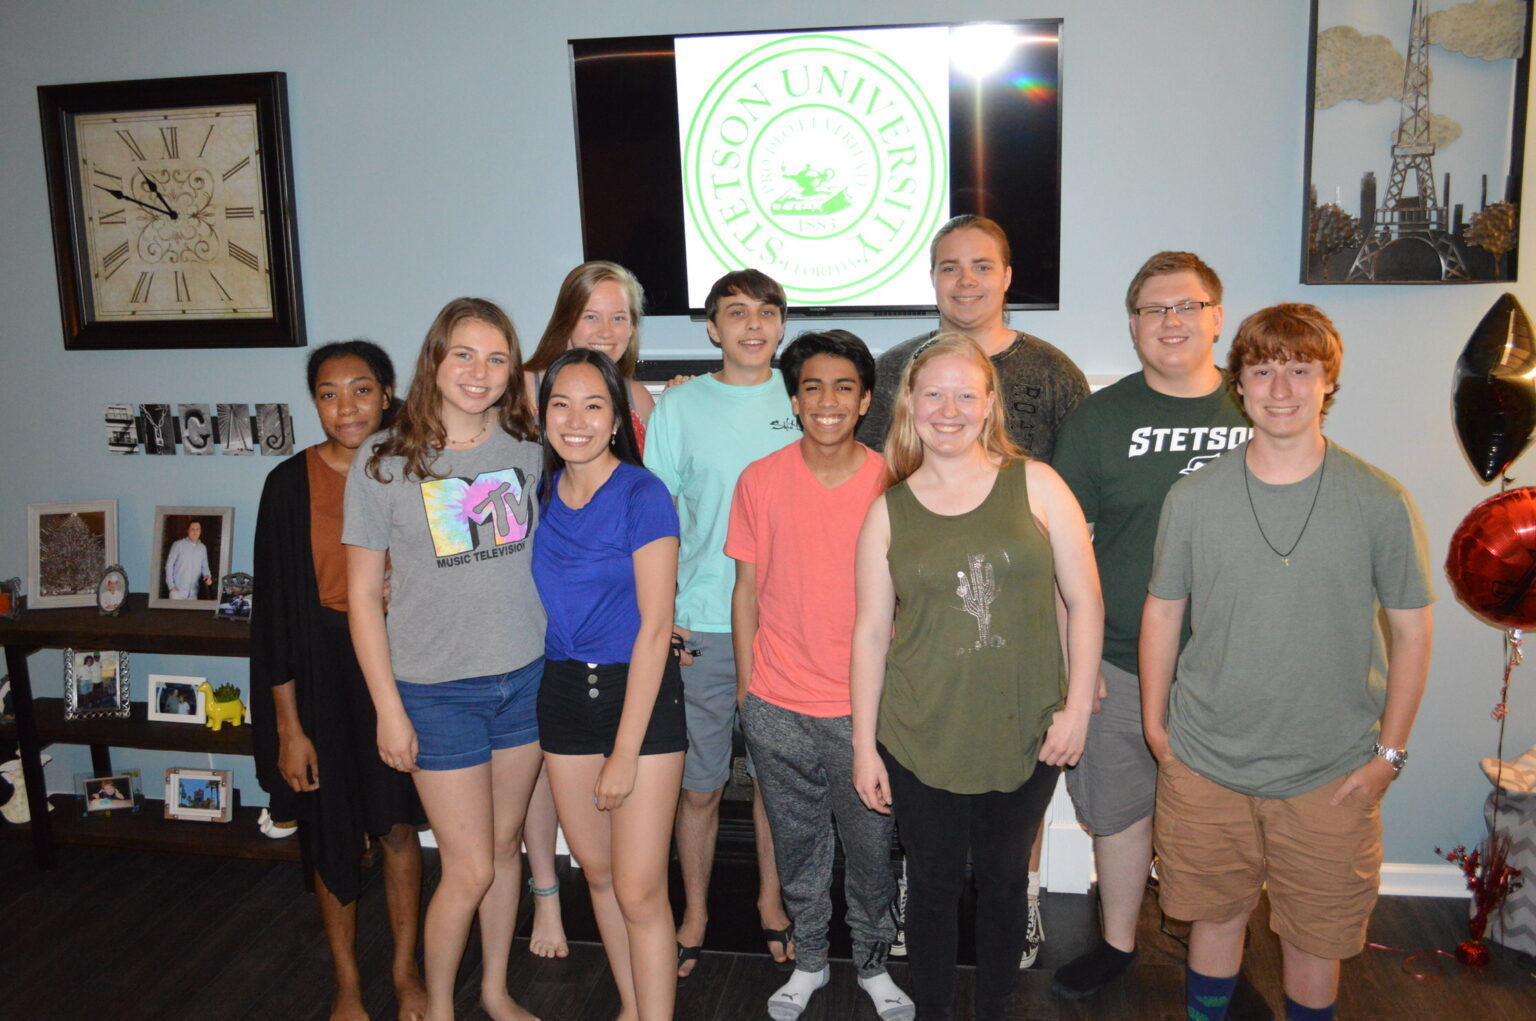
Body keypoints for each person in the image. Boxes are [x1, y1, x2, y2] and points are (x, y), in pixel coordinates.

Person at [1141, 304, 1434, 1021]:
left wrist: (1389, 755)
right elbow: (1163, 611)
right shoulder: (1192, 497)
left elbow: (1413, 631)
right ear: (1238, 383)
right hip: (1207, 761)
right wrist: (1156, 729)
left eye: (1300, 370)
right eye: (1263, 370)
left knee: (1315, 940)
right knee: (1214, 922)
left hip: (1331, 772)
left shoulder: (1379, 499)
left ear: (1328, 381)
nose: (1281, 389)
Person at [858, 214, 1089, 965]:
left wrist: (1076, 676)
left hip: (1027, 634)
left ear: (1007, 276)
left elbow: (1070, 552)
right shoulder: (894, 369)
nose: (966, 281)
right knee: (929, 834)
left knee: (1007, 831)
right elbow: (875, 486)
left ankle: (1022, 902)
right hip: (930, 628)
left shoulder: (1054, 373)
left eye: (982, 265)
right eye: (950, 267)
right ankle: (918, 903)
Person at [1048, 252, 1252, 1001]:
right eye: (1153, 309)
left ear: (1216, 317)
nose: (1171, 321)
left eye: (1187, 306)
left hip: (1232, 667)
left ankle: (1220, 955)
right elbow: (1063, 552)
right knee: (1119, 809)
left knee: (1225, 822)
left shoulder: (1258, 406)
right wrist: (1079, 664)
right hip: (1121, 660)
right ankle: (1117, 942)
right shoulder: (1099, 421)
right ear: (1133, 325)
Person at [345, 298, 545, 1021]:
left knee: (504, 848)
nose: (478, 372)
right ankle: (439, 1009)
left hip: (525, 679)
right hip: (435, 691)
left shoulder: (531, 449)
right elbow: (362, 596)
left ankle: (493, 990)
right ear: (435, 357)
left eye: (496, 359)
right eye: (464, 354)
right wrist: (389, 710)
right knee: (467, 867)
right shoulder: (384, 462)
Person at [730, 330, 915, 1021]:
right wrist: (748, 693)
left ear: (865, 400)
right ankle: (809, 959)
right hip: (777, 703)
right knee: (798, 845)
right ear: (794, 400)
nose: (827, 401)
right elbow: (746, 592)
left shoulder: (894, 481)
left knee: (870, 849)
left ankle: (872, 963)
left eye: (844, 387)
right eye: (812, 387)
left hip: (865, 709)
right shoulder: (759, 479)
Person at [251, 339, 429, 1021]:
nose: (346, 407)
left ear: (386, 394)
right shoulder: (287, 485)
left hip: (398, 666)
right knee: (330, 831)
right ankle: (347, 983)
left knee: (398, 826)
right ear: (315, 403)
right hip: (320, 673)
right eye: (329, 393)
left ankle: (406, 971)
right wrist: (289, 728)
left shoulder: (416, 468)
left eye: (361, 390)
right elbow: (273, 620)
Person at [643, 268, 798, 981]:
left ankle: (772, 900)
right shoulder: (680, 406)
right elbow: (656, 523)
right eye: (736, 312)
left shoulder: (803, 397)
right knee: (700, 786)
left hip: (788, 631)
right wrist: (663, 619)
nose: (753, 325)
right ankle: (696, 911)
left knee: (775, 783)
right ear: (712, 328)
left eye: (766, 312)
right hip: (700, 628)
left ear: (782, 325)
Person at [531, 348, 686, 1020]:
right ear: (543, 417)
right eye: (561, 404)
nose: (576, 419)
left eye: (594, 405)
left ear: (618, 418)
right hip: (563, 694)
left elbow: (656, 628)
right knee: (596, 873)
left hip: (639, 696)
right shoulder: (537, 494)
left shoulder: (643, 495)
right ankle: (631, 1006)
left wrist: (624, 752)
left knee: (639, 889)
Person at [519, 260, 656, 958]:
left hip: (613, 604)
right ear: (566, 320)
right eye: (591, 315)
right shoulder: (526, 387)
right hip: (540, 597)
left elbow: (650, 500)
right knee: (545, 770)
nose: (606, 329)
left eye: (619, 317)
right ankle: (546, 895)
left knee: (625, 849)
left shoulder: (640, 396)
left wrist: (657, 603)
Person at [165, 520, 212, 600]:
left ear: (200, 531)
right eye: (192, 529)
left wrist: (208, 576)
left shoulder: (203, 548)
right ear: (188, 530)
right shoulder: (178, 545)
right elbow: (169, 565)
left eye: (197, 529)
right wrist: (171, 586)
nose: (195, 532)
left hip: (193, 595)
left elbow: (205, 567)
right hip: (177, 593)